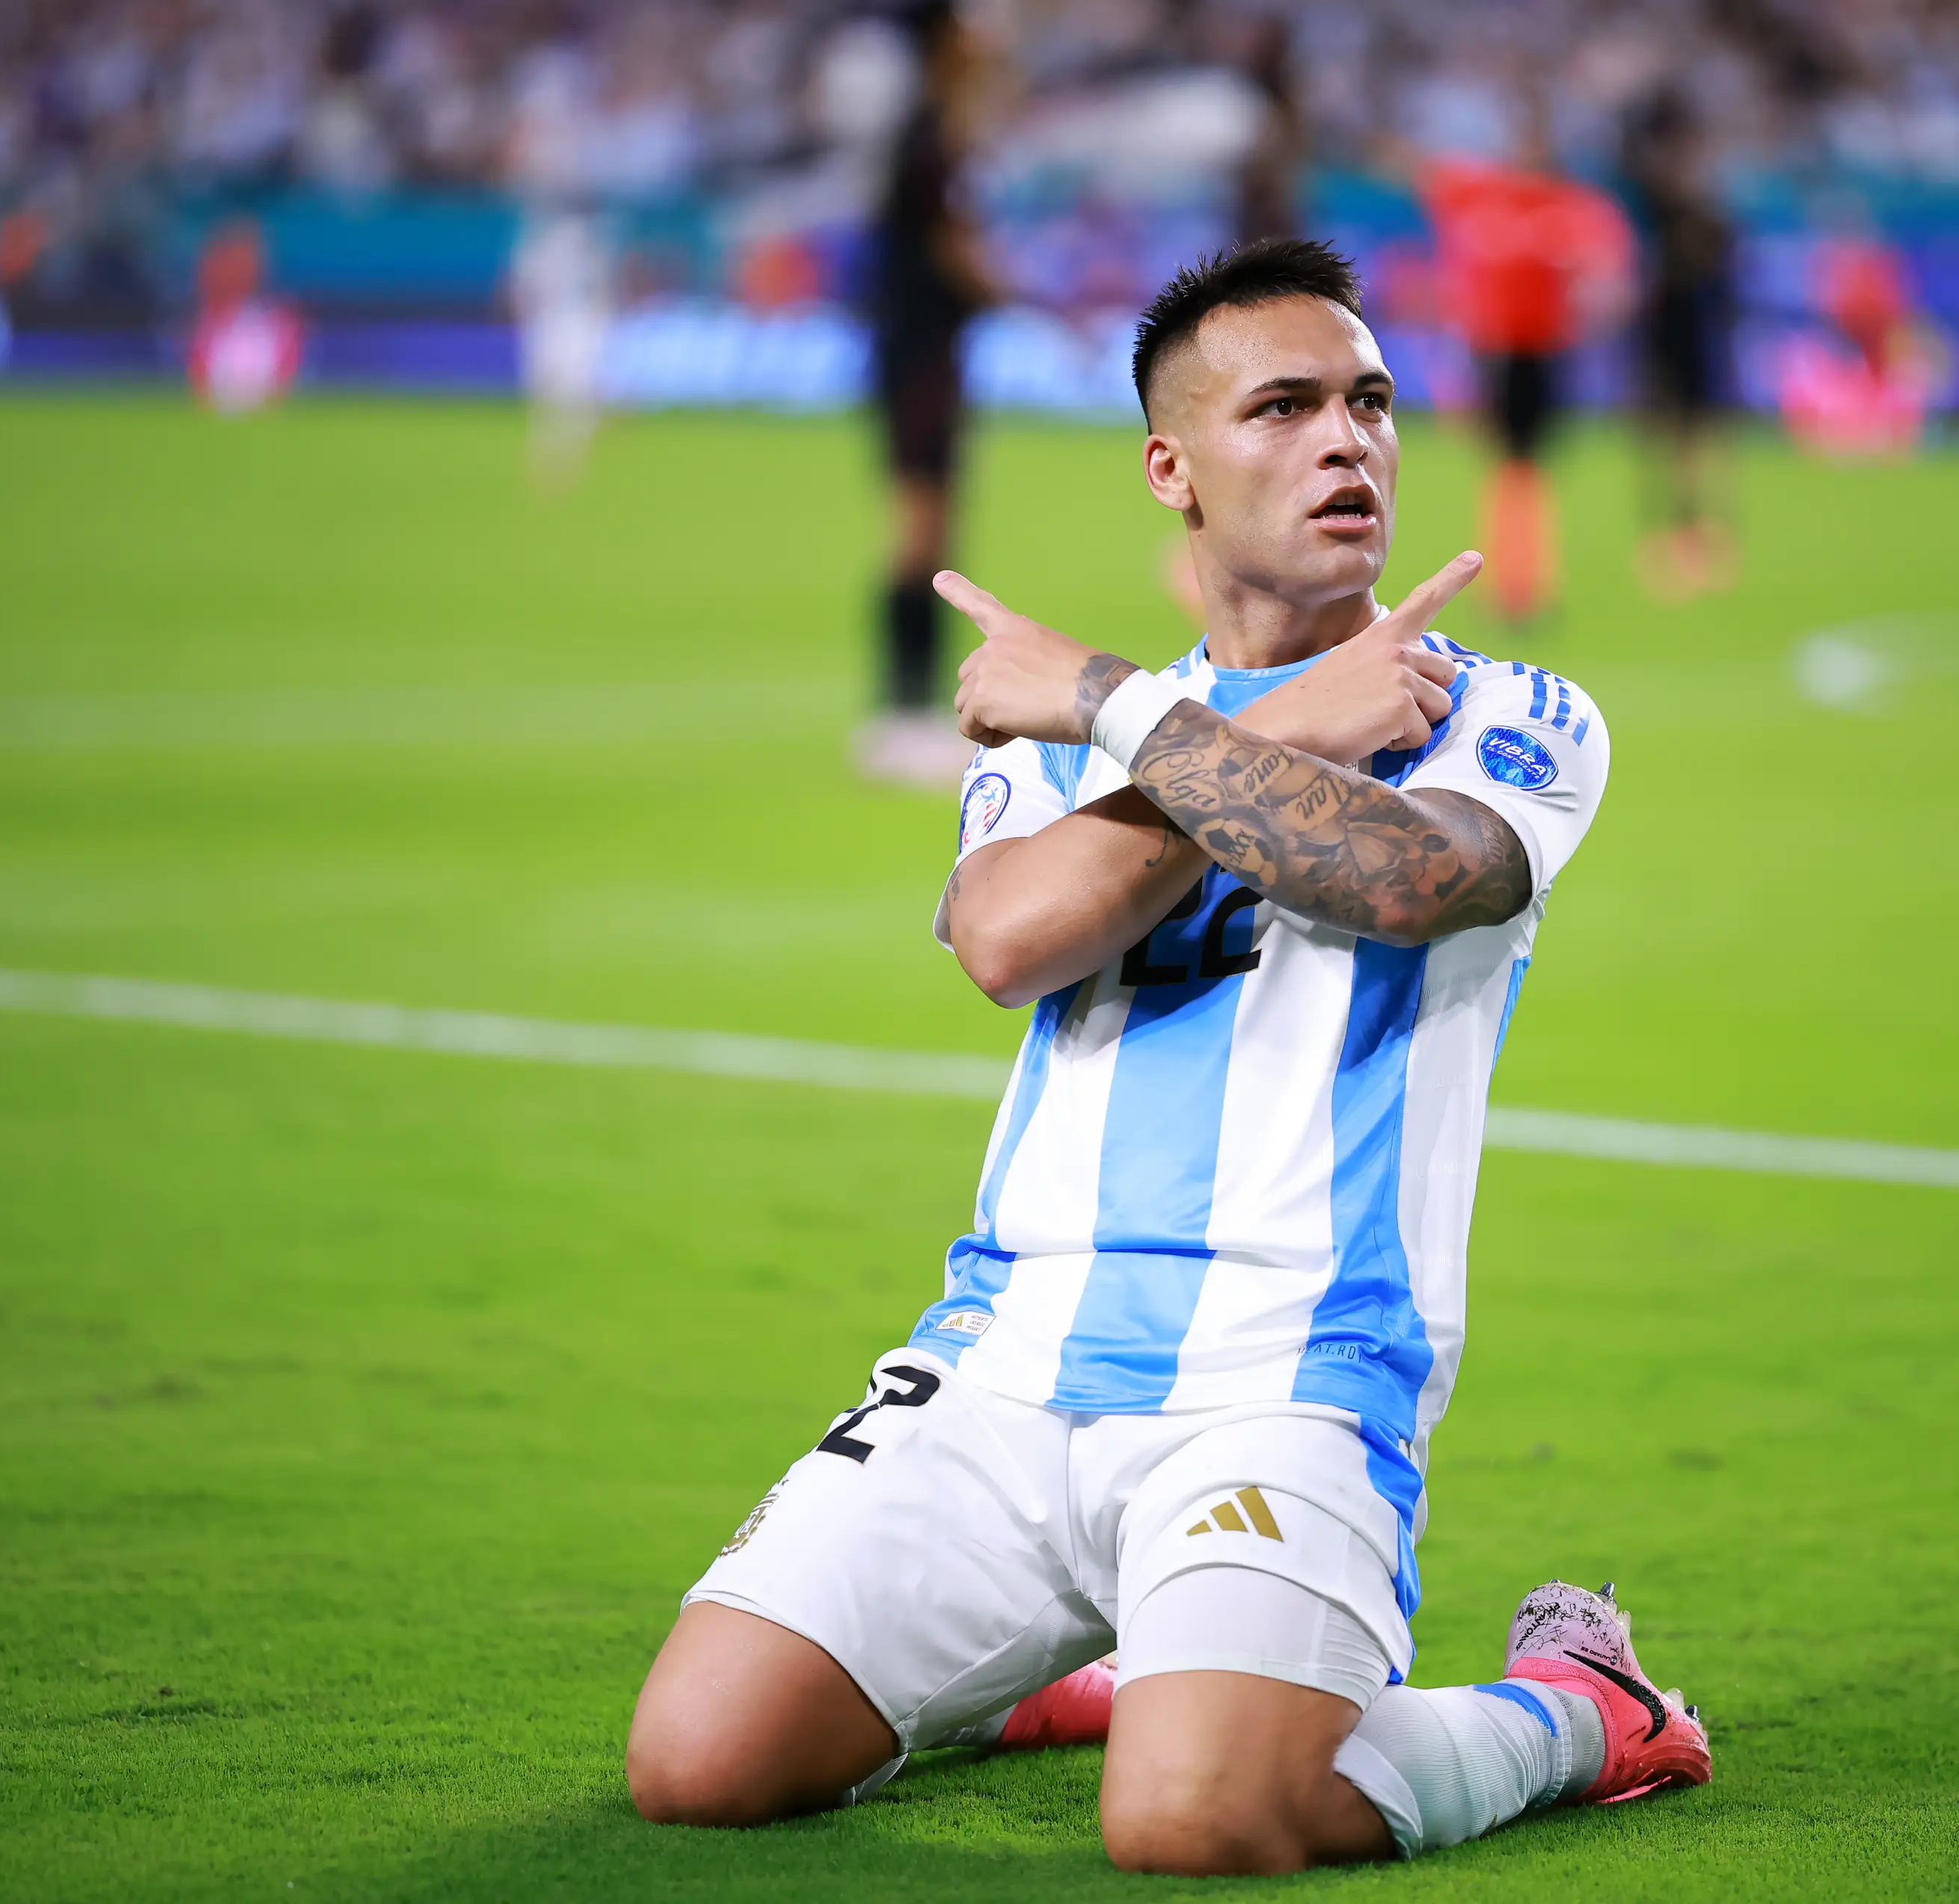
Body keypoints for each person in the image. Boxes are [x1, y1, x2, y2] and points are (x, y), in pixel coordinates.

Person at [627, 238, 1709, 1874]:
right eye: (1283, 407)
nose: (1347, 441)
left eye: (1370, 402)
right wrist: (1263, 723)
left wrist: (1112, 702)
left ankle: (1578, 1706)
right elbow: (1010, 939)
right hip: (1004, 1356)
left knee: (1198, 1816)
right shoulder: (1066, 737)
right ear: (1172, 468)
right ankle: (1095, 1668)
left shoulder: (1506, 710)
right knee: (699, 1762)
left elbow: (1403, 877)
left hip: (1291, 1374)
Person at [1415, 99, 1632, 630]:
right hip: (1496, 350)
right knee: (1508, 468)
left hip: (1543, 351)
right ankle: (1512, 581)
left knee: (1527, 470)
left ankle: (1523, 580)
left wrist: (1595, 302)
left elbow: (1606, 271)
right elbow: (1424, 174)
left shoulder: (1567, 208)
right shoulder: (1485, 196)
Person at [855, 0, 999, 790]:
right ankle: (900, 715)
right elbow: (948, 246)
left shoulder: (934, 128)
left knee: (932, 527)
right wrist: (1021, 292)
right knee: (920, 529)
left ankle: (906, 715)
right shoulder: (930, 134)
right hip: (917, 353)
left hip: (924, 349)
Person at [1621, 88, 1741, 600]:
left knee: (1704, 443)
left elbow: (1727, 280)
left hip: (1700, 340)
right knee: (1663, 443)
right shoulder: (1654, 209)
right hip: (1661, 340)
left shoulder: (1711, 215)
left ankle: (1707, 539)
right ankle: (1668, 542)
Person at [509, 201, 614, 487]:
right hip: (568, 323)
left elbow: (521, 289)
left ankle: (557, 452)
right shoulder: (587, 245)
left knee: (560, 392)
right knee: (567, 392)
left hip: (558, 323)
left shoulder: (543, 244)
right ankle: (564, 453)